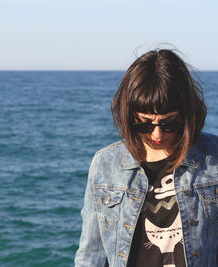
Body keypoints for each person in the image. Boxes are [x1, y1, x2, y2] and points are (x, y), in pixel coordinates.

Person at [74, 49, 218, 267]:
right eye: (145, 124)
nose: (157, 134)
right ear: (129, 116)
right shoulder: (106, 164)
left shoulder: (213, 160)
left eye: (170, 123)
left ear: (187, 115)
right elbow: (91, 256)